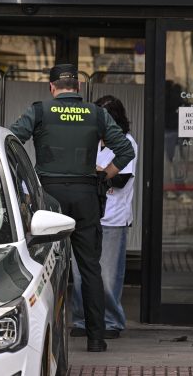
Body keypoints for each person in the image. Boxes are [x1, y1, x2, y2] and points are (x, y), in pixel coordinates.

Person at [9, 64, 134, 353]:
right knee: (90, 267)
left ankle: (43, 337)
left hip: (49, 199)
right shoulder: (97, 113)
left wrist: (26, 181)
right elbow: (125, 151)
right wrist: (104, 176)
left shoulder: (39, 111)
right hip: (86, 196)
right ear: (78, 87)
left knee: (43, 267)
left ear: (52, 87)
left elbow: (12, 144)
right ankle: (96, 338)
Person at [70, 95, 138, 340]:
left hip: (113, 218)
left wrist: (95, 172)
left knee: (108, 277)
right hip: (85, 215)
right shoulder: (89, 140)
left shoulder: (126, 142)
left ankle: (111, 322)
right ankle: (82, 320)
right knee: (80, 274)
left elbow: (120, 179)